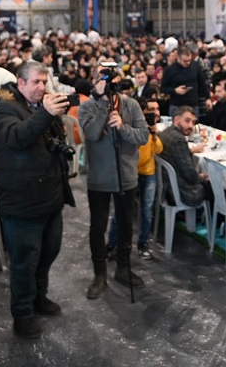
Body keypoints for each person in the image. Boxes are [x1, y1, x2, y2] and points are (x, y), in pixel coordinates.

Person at [0, 61, 73, 338]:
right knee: (24, 261)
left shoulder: (39, 108)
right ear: (21, 82)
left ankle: (39, 297)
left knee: (48, 253)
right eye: (36, 81)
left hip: (49, 197)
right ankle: (22, 314)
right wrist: (46, 113)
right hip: (21, 202)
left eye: (44, 82)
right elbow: (17, 138)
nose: (42, 87)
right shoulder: (4, 109)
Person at [78, 63, 150, 299]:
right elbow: (92, 133)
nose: (108, 83)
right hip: (99, 178)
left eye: (111, 79)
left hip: (126, 176)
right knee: (98, 227)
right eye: (102, 78)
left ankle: (123, 268)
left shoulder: (131, 105)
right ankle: (100, 274)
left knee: (126, 224)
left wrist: (123, 127)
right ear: (94, 81)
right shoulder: (87, 107)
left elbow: (143, 135)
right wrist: (102, 104)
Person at [106, 98, 163, 261]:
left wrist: (154, 135)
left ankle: (143, 244)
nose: (154, 113)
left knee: (147, 211)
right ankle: (112, 245)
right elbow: (134, 153)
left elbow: (158, 149)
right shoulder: (132, 128)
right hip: (131, 174)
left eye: (157, 109)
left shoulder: (150, 130)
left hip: (148, 174)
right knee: (121, 212)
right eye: (150, 110)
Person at [158, 106, 213, 208]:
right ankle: (215, 217)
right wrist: (201, 177)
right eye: (187, 121)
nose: (191, 126)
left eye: (193, 122)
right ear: (176, 120)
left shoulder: (165, 132)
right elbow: (190, 174)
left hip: (165, 186)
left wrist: (190, 151)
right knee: (216, 188)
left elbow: (175, 155)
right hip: (180, 192)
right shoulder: (179, 139)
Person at [160, 46, 208, 116]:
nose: (188, 63)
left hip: (193, 105)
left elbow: (202, 83)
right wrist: (175, 90)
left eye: (189, 60)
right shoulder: (169, 70)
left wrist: (208, 98)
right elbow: (163, 88)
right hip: (177, 105)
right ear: (178, 58)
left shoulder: (195, 66)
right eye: (185, 61)